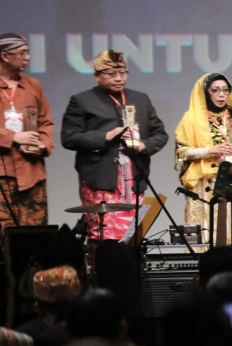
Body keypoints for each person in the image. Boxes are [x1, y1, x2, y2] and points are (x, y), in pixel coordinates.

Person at [61, 50, 168, 241]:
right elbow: (69, 138)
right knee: (103, 235)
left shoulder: (140, 99)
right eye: (112, 74)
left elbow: (160, 134)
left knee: (132, 236)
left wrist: (143, 145)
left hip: (134, 179)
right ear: (97, 76)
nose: (119, 78)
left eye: (123, 73)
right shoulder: (82, 101)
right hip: (101, 179)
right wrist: (105, 136)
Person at [175, 73, 232, 244]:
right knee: (208, 232)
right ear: (205, 93)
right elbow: (181, 153)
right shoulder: (191, 119)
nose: (221, 95)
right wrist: (210, 151)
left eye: (225, 90)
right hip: (205, 185)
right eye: (215, 90)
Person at [0, 33, 54, 228]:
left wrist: (43, 144)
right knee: (4, 235)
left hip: (32, 173)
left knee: (36, 234)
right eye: (22, 53)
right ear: (5, 56)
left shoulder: (33, 85)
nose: (28, 57)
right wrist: (13, 137)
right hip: (3, 174)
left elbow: (45, 122)